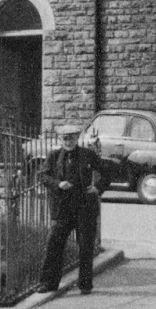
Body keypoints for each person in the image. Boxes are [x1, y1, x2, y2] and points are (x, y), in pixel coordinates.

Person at [37, 123, 103, 295]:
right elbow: (43, 176)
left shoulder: (88, 155)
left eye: (72, 138)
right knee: (54, 243)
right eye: (65, 138)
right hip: (62, 208)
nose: (68, 141)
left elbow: (107, 171)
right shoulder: (54, 156)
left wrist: (98, 188)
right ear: (60, 140)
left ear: (77, 138)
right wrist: (58, 184)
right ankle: (48, 283)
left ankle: (85, 284)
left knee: (86, 247)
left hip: (85, 207)